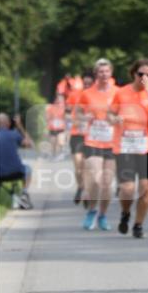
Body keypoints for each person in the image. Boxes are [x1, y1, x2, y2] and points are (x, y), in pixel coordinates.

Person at [109, 58, 148, 239]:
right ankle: (125, 212)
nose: (144, 78)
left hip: (147, 146)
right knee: (127, 189)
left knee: (146, 188)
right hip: (125, 145)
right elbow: (110, 113)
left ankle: (138, 224)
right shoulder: (122, 93)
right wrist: (114, 119)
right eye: (141, 74)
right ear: (134, 73)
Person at [78, 59, 118, 231]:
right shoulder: (87, 94)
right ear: (96, 74)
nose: (104, 75)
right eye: (100, 72)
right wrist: (84, 118)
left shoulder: (118, 92)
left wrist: (117, 120)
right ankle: (92, 211)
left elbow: (125, 113)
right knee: (95, 178)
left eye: (106, 71)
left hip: (112, 142)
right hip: (93, 140)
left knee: (107, 184)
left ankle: (102, 214)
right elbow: (78, 113)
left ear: (111, 73)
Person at [66, 69, 94, 204]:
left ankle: (87, 191)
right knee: (78, 163)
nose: (87, 86)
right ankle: (80, 186)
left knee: (87, 164)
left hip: (91, 135)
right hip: (76, 133)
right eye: (85, 83)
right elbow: (68, 113)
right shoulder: (74, 95)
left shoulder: (96, 96)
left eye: (90, 83)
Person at [0, 112, 34, 208]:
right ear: (8, 123)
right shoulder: (14, 134)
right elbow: (30, 144)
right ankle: (24, 194)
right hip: (16, 172)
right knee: (28, 169)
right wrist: (20, 126)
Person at [45, 93, 66, 159]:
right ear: (55, 99)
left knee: (61, 141)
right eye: (59, 99)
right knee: (53, 142)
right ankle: (53, 154)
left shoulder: (63, 108)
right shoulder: (50, 107)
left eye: (61, 99)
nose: (60, 101)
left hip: (61, 127)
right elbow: (47, 117)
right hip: (52, 127)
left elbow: (66, 117)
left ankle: (60, 153)